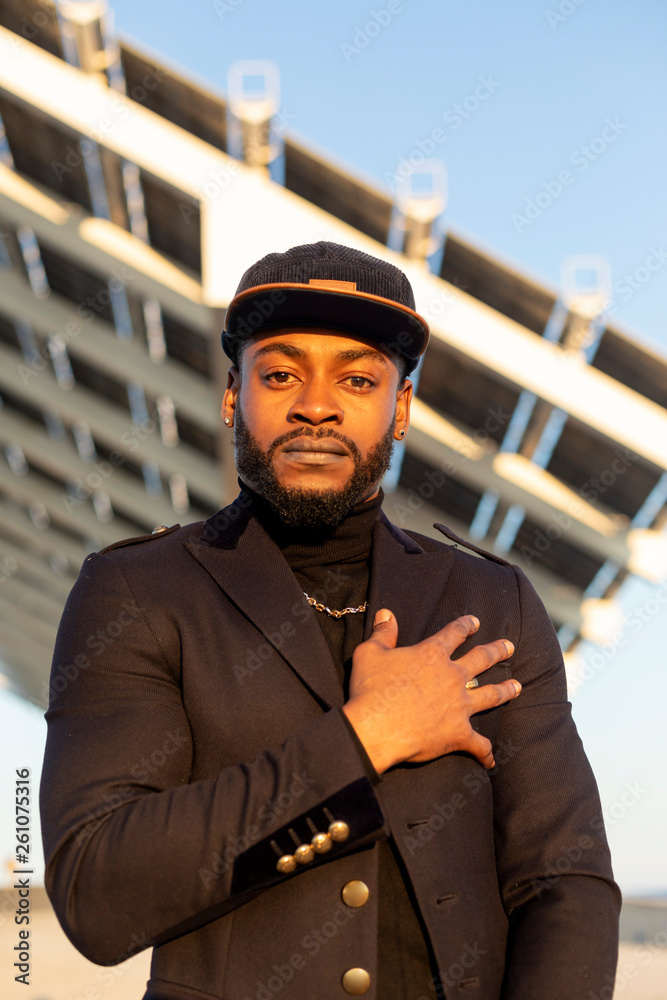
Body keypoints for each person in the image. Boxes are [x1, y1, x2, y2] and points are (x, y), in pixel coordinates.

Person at [40, 241, 620, 1000]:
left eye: (357, 379)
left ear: (400, 409)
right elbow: (97, 893)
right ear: (231, 396)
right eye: (280, 375)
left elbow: (564, 880)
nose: (316, 405)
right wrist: (368, 735)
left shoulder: (491, 602)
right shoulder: (138, 591)